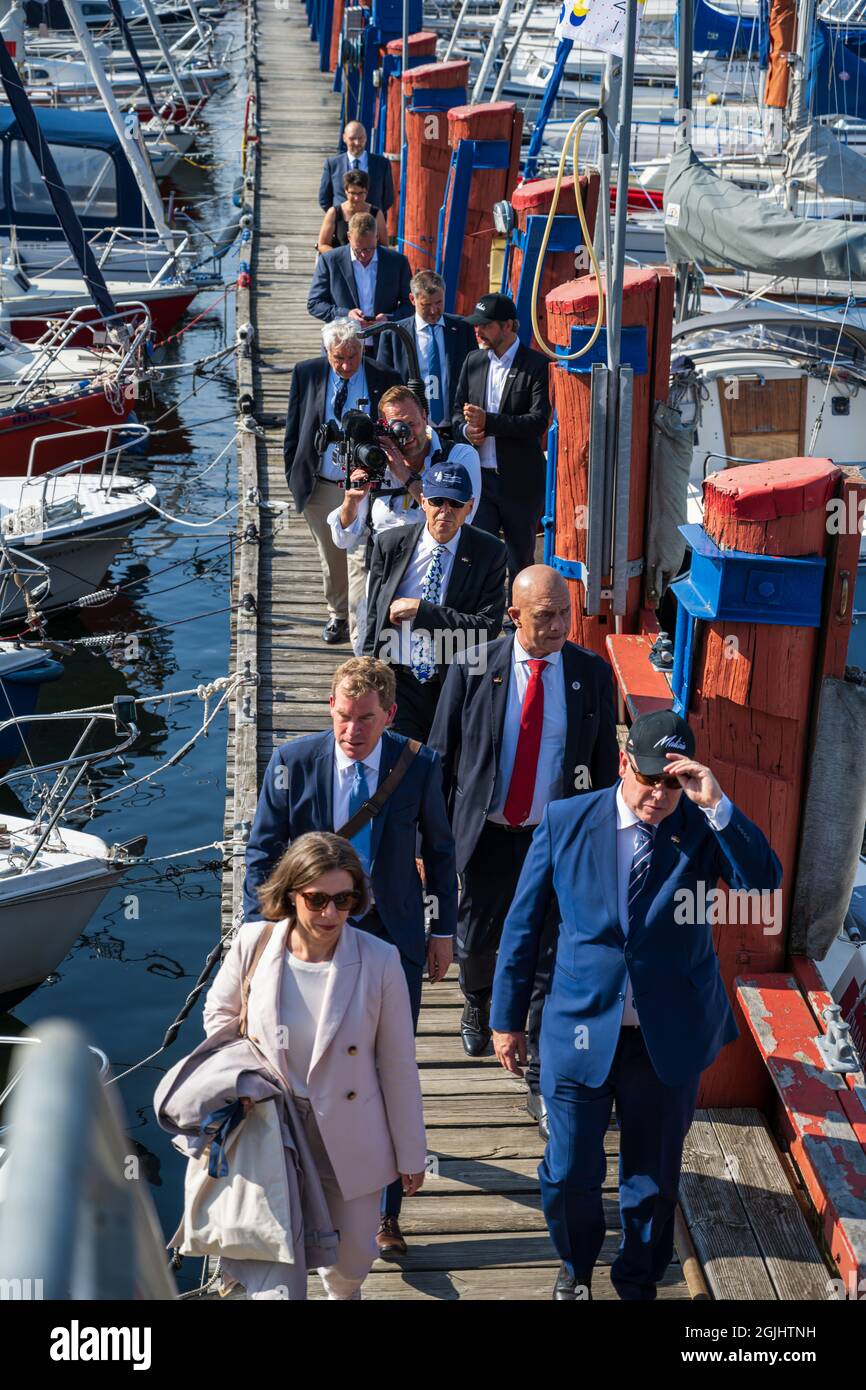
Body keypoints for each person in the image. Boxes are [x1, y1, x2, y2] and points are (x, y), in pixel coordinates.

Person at [490, 708, 783, 1301]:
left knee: (651, 1181)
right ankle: (574, 1266)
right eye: (650, 777)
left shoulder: (703, 829)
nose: (658, 793)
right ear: (624, 762)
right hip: (576, 1027)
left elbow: (763, 885)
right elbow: (524, 927)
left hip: (664, 1037)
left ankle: (638, 1280)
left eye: (673, 781)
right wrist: (506, 1019)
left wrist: (716, 804)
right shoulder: (565, 819)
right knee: (569, 1172)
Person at [243, 657, 457, 1257]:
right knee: (308, 1062)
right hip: (309, 934)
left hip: (392, 937)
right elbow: (262, 855)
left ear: (389, 715)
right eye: (342, 716)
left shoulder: (420, 766)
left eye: (365, 719)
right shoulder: (292, 764)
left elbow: (440, 853)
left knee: (389, 1066)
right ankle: (306, 1182)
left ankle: (386, 1213)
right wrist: (262, 935)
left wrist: (442, 931)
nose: (351, 730)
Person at [205, 832, 426, 1299]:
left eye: (343, 900)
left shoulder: (380, 960)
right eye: (317, 899)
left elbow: (398, 1064)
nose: (330, 914)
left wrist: (411, 1152)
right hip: (269, 1125)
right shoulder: (253, 943)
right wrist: (239, 1077)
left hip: (348, 1131)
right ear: (291, 894)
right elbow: (219, 1016)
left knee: (349, 1263)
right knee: (269, 1260)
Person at [428, 566, 619, 1103]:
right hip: (486, 830)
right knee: (479, 930)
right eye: (545, 616)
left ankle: (536, 1062)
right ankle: (477, 997)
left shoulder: (591, 675)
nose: (560, 625)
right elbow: (441, 756)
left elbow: (602, 770)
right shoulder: (471, 665)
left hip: (550, 839)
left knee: (545, 949)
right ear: (514, 617)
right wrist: (431, 842)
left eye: (565, 613)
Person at [327, 384, 481, 653]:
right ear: (384, 427)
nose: (407, 434)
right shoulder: (375, 459)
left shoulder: (458, 457)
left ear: (425, 416)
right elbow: (344, 537)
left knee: (440, 663)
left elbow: (460, 521)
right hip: (383, 580)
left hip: (438, 580)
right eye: (397, 426)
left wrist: (404, 475)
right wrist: (352, 499)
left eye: (412, 423)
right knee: (373, 663)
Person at [363, 463, 507, 742]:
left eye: (456, 503)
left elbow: (486, 628)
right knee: (399, 764)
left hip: (453, 682)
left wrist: (422, 611)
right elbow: (374, 616)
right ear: (424, 501)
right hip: (397, 677)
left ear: (470, 507)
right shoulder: (390, 544)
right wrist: (368, 672)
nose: (446, 511)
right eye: (438, 501)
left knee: (443, 766)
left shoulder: (490, 552)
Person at [284, 319, 401, 645]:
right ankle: (337, 612)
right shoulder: (306, 373)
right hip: (322, 483)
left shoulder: (385, 378)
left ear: (363, 349)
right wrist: (294, 477)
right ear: (327, 352)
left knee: (361, 558)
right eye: (339, 358)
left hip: (370, 486)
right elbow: (294, 430)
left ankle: (363, 629)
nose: (347, 365)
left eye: (353, 356)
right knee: (332, 555)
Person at [451, 292, 550, 595]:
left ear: (509, 326)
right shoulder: (473, 360)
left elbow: (537, 422)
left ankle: (518, 618)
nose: (477, 331)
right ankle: (484, 618)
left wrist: (488, 423)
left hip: (519, 480)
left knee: (520, 557)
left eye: (485, 325)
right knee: (480, 554)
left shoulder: (537, 365)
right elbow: (456, 413)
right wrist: (468, 430)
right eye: (475, 325)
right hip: (481, 478)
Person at [376, 269, 477, 427]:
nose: (433, 311)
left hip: (456, 426)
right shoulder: (393, 334)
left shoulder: (463, 329)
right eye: (426, 305)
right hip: (411, 428)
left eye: (439, 303)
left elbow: (474, 375)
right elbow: (384, 383)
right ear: (412, 299)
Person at [308, 214, 412, 331]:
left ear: (377, 237)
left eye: (369, 249)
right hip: (342, 342)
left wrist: (389, 319)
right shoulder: (329, 261)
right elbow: (314, 304)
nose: (364, 255)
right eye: (358, 249)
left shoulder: (398, 262)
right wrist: (346, 314)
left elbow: (411, 304)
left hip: (384, 343)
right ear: (348, 237)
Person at [319, 120, 395, 215]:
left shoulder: (382, 164)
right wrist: (338, 217)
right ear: (344, 138)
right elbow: (324, 198)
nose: (357, 143)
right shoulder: (332, 164)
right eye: (352, 138)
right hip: (342, 223)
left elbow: (388, 198)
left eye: (361, 138)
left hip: (371, 224)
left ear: (366, 138)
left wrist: (374, 216)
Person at [317, 169, 388, 252]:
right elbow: (322, 245)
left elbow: (384, 246)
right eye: (353, 193)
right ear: (346, 191)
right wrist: (341, 258)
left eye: (361, 193)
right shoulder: (333, 213)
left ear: (367, 191)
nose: (356, 198)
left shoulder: (376, 214)